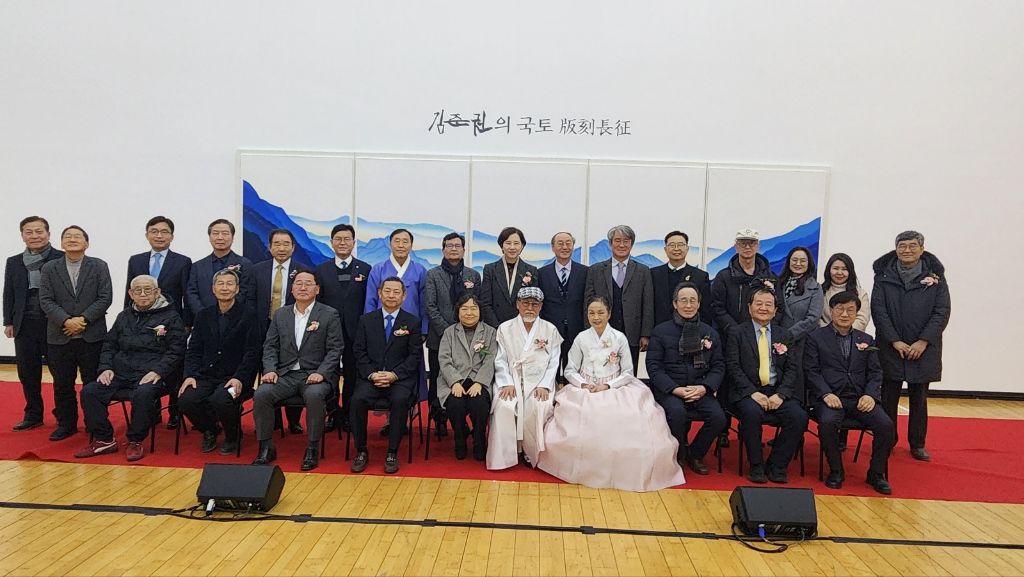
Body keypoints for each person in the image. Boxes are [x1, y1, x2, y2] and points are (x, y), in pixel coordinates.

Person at [538, 296, 684, 491]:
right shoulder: (581, 338)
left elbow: (628, 372)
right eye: (591, 313)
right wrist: (584, 384)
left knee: (622, 417)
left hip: (615, 387)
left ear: (609, 314)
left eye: (601, 313)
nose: (596, 317)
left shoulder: (619, 338)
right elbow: (570, 369)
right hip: (586, 388)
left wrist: (608, 385)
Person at [74, 275, 186, 461]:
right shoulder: (124, 316)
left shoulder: (171, 317)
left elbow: (176, 351)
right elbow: (109, 345)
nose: (143, 294)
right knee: (90, 391)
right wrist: (106, 368)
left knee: (143, 393)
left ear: (157, 292)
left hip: (154, 374)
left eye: (148, 290)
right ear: (130, 294)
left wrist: (158, 371)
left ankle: (135, 440)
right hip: (121, 373)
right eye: (137, 290)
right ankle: (104, 439)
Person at [871, 230, 951, 462]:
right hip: (891, 346)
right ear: (896, 249)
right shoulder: (883, 275)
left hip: (923, 348)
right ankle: (887, 440)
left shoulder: (936, 277)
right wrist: (894, 340)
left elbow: (942, 311)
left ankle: (917, 443)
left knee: (919, 398)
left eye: (912, 246)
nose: (907, 250)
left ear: (922, 249)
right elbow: (879, 310)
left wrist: (923, 341)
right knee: (888, 397)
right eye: (902, 246)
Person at [251, 271, 343, 471]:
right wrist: (270, 370)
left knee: (315, 395)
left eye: (308, 283)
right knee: (262, 394)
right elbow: (270, 346)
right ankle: (266, 446)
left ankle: (312, 447)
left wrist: (322, 373)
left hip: (315, 374)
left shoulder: (329, 314)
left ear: (317, 289)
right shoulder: (280, 314)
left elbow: (335, 349)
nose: (303, 287)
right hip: (285, 375)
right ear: (291, 289)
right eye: (298, 283)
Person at [805, 291, 894, 494]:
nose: (844, 314)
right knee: (827, 423)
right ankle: (836, 470)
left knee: (886, 425)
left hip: (859, 398)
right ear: (831, 311)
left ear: (856, 314)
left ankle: (876, 473)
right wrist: (825, 394)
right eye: (840, 309)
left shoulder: (866, 339)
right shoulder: (816, 337)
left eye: (850, 310)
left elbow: (875, 372)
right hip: (830, 398)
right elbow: (811, 371)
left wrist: (870, 395)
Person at [726, 285, 808, 484]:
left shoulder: (784, 335)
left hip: (777, 391)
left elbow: (792, 369)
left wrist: (781, 395)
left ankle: (777, 464)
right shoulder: (737, 333)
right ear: (749, 307)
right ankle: (756, 465)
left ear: (775, 309)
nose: (763, 308)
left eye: (768, 304)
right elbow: (733, 367)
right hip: (748, 392)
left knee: (799, 417)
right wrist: (752, 393)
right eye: (759, 303)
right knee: (751, 414)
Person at [39, 225, 113, 441]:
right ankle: (66, 424)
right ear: (61, 243)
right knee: (62, 384)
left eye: (77, 236)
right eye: (68, 237)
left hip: (92, 335)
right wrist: (66, 320)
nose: (72, 239)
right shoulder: (49, 268)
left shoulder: (99, 266)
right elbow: (45, 300)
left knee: (93, 383)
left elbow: (105, 297)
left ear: (86, 243)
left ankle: (95, 423)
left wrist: (83, 320)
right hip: (59, 335)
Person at [710, 228, 783, 448]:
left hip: (761, 338)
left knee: (754, 378)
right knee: (727, 384)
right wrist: (736, 330)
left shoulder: (770, 277)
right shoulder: (724, 276)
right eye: (743, 243)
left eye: (751, 243)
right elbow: (717, 307)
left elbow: (778, 307)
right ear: (736, 246)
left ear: (758, 246)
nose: (747, 247)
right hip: (731, 337)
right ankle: (723, 430)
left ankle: (748, 429)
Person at [177, 268, 262, 455]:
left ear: (237, 289)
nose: (225, 288)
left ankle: (233, 436)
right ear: (213, 289)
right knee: (186, 400)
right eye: (220, 284)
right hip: (207, 375)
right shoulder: (203, 315)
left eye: (229, 284)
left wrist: (240, 378)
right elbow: (194, 350)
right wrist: (190, 375)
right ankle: (210, 429)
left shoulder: (249, 315)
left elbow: (252, 352)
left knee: (222, 399)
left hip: (235, 377)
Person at [645, 283, 727, 475]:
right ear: (675, 304)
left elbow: (718, 366)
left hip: (700, 389)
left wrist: (705, 387)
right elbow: (654, 366)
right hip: (671, 390)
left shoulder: (709, 333)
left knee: (718, 418)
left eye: (692, 301)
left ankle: (695, 454)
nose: (688, 305)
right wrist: (675, 389)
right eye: (683, 301)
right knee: (677, 413)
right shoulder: (661, 331)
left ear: (699, 304)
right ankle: (679, 454)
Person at [124, 215, 192, 430]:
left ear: (172, 236)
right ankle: (150, 412)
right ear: (147, 235)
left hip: (172, 323)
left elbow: (187, 295)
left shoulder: (182, 261)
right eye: (154, 231)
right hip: (141, 322)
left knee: (174, 366)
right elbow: (129, 292)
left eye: (164, 232)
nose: (159, 235)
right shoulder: (136, 260)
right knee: (146, 362)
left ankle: (174, 412)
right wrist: (127, 319)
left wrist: (186, 323)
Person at [350, 277, 423, 475]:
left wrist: (394, 375)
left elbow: (414, 356)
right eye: (387, 291)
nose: (391, 295)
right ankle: (361, 450)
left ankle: (392, 452)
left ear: (404, 296)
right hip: (371, 378)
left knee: (400, 400)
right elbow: (359, 352)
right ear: (379, 293)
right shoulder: (366, 320)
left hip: (399, 379)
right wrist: (372, 374)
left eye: (396, 292)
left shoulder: (412, 322)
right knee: (357, 400)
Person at [487, 286, 563, 470]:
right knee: (504, 406)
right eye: (526, 303)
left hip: (538, 382)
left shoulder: (550, 329)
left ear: (541, 306)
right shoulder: (505, 328)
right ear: (517, 304)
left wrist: (545, 385)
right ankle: (506, 455)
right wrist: (506, 382)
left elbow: (554, 362)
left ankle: (531, 453)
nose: (530, 308)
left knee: (538, 405)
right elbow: (500, 359)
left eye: (534, 304)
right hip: (512, 380)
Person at [4, 216, 63, 431]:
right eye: (29, 232)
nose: (34, 236)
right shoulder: (14, 261)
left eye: (39, 231)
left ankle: (63, 414)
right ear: (22, 235)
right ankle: (33, 414)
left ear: (48, 234)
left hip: (53, 323)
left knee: (60, 371)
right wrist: (8, 321)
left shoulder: (61, 258)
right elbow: (9, 293)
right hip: (24, 323)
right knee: (27, 371)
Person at [314, 223, 371, 433]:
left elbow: (369, 302)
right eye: (338, 239)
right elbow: (317, 302)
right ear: (331, 243)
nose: (343, 243)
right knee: (329, 373)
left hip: (355, 332)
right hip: (327, 332)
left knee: (352, 374)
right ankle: (332, 413)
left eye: (347, 239)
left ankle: (348, 414)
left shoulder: (365, 269)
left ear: (354, 243)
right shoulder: (321, 270)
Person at [424, 232, 481, 436]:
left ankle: (462, 420)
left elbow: (476, 307)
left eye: (458, 245)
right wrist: (449, 332)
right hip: (439, 338)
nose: (454, 249)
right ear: (443, 249)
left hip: (469, 339)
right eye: (449, 245)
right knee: (438, 379)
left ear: (464, 250)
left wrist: (463, 333)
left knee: (465, 378)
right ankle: (439, 418)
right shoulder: (432, 275)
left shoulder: (473, 275)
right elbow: (430, 306)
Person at [252, 228, 305, 434]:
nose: (281, 248)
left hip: (293, 327)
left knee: (293, 370)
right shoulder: (257, 270)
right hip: (263, 325)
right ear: (270, 247)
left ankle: (294, 420)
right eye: (277, 244)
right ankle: (273, 420)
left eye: (286, 244)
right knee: (268, 369)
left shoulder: (302, 272)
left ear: (293, 247)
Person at [584, 225, 654, 372]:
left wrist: (645, 334)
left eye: (626, 241)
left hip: (632, 333)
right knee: (601, 371)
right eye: (617, 241)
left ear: (631, 244)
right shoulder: (595, 270)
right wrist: (589, 331)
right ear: (610, 244)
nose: (621, 245)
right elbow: (588, 303)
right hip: (602, 331)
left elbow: (648, 304)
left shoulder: (643, 271)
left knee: (628, 373)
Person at [436, 293, 496, 461]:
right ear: (458, 311)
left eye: (473, 308)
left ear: (480, 311)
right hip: (454, 379)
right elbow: (444, 360)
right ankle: (460, 438)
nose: (469, 313)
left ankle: (479, 440)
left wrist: (480, 382)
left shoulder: (490, 332)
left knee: (479, 403)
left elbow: (491, 360)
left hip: (479, 379)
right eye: (464, 309)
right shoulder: (449, 332)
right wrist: (454, 382)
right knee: (455, 403)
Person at [537, 231, 588, 382]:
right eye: (560, 243)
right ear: (553, 247)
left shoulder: (585, 272)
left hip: (576, 328)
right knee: (548, 372)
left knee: (574, 372)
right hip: (550, 330)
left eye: (568, 243)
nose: (564, 247)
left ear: (573, 246)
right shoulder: (541, 273)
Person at [186, 218, 255, 321]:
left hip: (235, 320)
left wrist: (228, 313)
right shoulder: (197, 266)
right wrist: (203, 315)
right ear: (209, 237)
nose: (220, 237)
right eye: (215, 233)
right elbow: (192, 294)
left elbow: (245, 293)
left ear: (233, 237)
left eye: (225, 233)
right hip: (203, 320)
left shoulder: (245, 264)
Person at [363, 228, 428, 334]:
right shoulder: (378, 269)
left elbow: (424, 304)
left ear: (411, 246)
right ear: (390, 244)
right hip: (381, 325)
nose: (400, 245)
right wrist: (369, 326)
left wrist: (424, 330)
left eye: (405, 242)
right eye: (397, 241)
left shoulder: (420, 270)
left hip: (412, 326)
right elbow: (370, 301)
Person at [479, 226, 540, 329]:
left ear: (522, 246)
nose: (512, 247)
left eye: (516, 243)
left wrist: (522, 327)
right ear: (501, 245)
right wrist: (497, 328)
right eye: (508, 243)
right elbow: (485, 303)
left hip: (521, 327)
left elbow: (532, 303)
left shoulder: (531, 271)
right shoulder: (490, 269)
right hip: (495, 327)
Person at [651, 231, 711, 326]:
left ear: (687, 248)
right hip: (658, 329)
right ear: (665, 249)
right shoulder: (653, 274)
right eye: (672, 245)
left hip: (689, 329)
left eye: (680, 245)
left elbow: (705, 310)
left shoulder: (700, 276)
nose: (676, 248)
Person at [778, 247, 824, 344]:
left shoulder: (815, 288)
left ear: (809, 263)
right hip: (777, 339)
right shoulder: (779, 284)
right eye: (794, 260)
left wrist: (790, 334)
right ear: (788, 262)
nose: (798, 264)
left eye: (803, 261)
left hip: (803, 341)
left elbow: (813, 318)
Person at [820, 252, 871, 330]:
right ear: (828, 270)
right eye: (835, 268)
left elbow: (862, 320)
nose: (839, 272)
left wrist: (844, 332)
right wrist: (830, 332)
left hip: (853, 335)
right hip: (824, 334)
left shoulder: (861, 293)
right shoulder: (819, 291)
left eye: (844, 269)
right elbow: (817, 318)